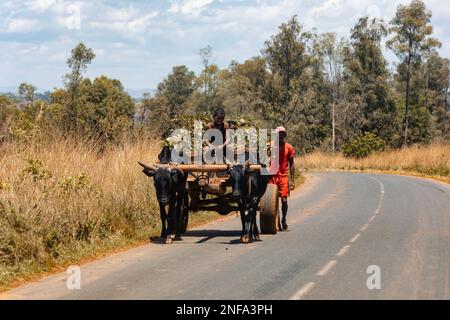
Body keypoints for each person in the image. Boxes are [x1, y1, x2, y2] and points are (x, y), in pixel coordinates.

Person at [269, 126, 295, 230]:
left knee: (284, 200)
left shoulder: (289, 147)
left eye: (282, 134)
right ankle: (273, 220)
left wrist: (292, 180)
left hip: (283, 177)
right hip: (271, 176)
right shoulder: (269, 146)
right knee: (270, 201)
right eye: (278, 134)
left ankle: (283, 219)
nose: (280, 136)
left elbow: (292, 164)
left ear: (285, 135)